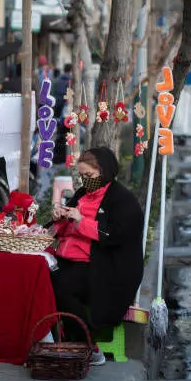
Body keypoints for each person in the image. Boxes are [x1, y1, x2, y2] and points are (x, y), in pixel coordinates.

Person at [49, 147, 144, 366]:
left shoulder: (123, 201)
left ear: (105, 172)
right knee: (42, 278)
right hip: (74, 259)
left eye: (90, 176)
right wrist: (60, 217)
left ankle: (88, 346)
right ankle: (54, 339)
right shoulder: (82, 194)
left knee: (61, 287)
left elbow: (114, 236)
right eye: (82, 176)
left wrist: (82, 221)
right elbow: (64, 229)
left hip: (106, 266)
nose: (85, 180)